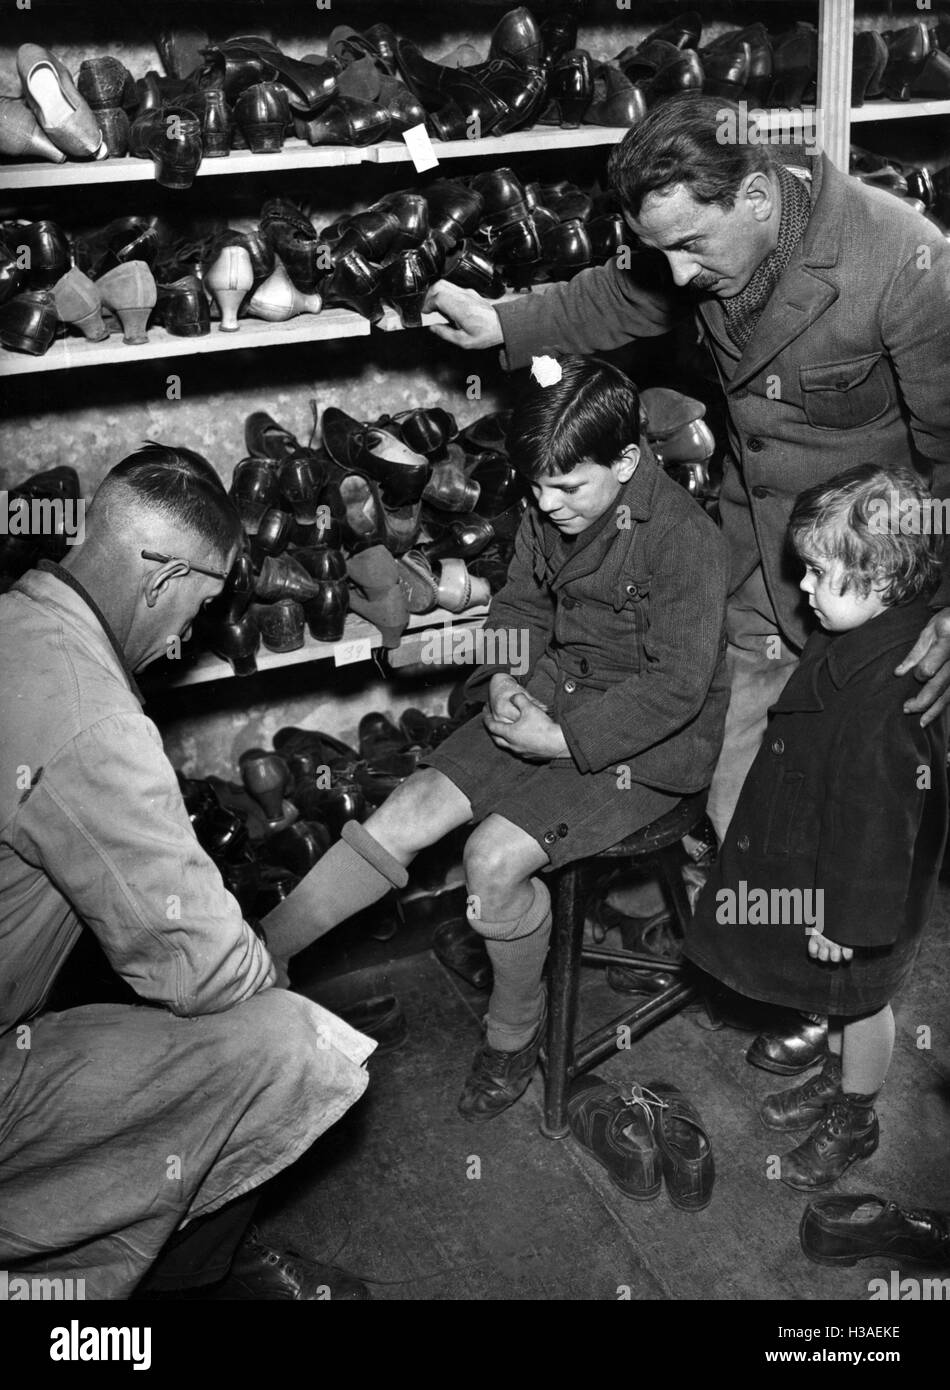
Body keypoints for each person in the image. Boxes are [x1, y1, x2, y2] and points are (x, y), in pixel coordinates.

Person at [425, 92, 950, 1071]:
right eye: (656, 246)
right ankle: (783, 977)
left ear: (758, 193)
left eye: (689, 245)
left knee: (871, 811)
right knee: (747, 808)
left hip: (880, 581)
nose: (674, 271)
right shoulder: (687, 249)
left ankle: (845, 1012)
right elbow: (617, 296)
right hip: (761, 560)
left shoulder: (898, 263)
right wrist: (500, 319)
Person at [261, 354, 730, 1122]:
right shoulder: (554, 506)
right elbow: (519, 608)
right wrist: (508, 678)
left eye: (567, 488)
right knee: (407, 811)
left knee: (492, 860)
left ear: (628, 459)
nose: (546, 503)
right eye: (537, 486)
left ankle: (514, 1035)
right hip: (554, 688)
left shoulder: (686, 541)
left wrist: (565, 738)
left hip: (644, 743)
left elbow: (677, 688)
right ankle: (263, 953)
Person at [0, 444, 373, 1300]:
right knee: (290, 1042)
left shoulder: (17, 621)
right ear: (162, 577)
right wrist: (265, 959)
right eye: (199, 610)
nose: (179, 645)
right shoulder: (94, 717)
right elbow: (208, 974)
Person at [685, 464, 950, 1191]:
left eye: (817, 573)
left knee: (862, 1000)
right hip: (823, 858)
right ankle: (838, 1077)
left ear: (884, 580)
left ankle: (857, 1114)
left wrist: (849, 918)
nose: (801, 589)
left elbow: (877, 825)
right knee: (833, 996)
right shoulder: (855, 634)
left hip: (863, 890)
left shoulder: (886, 695)